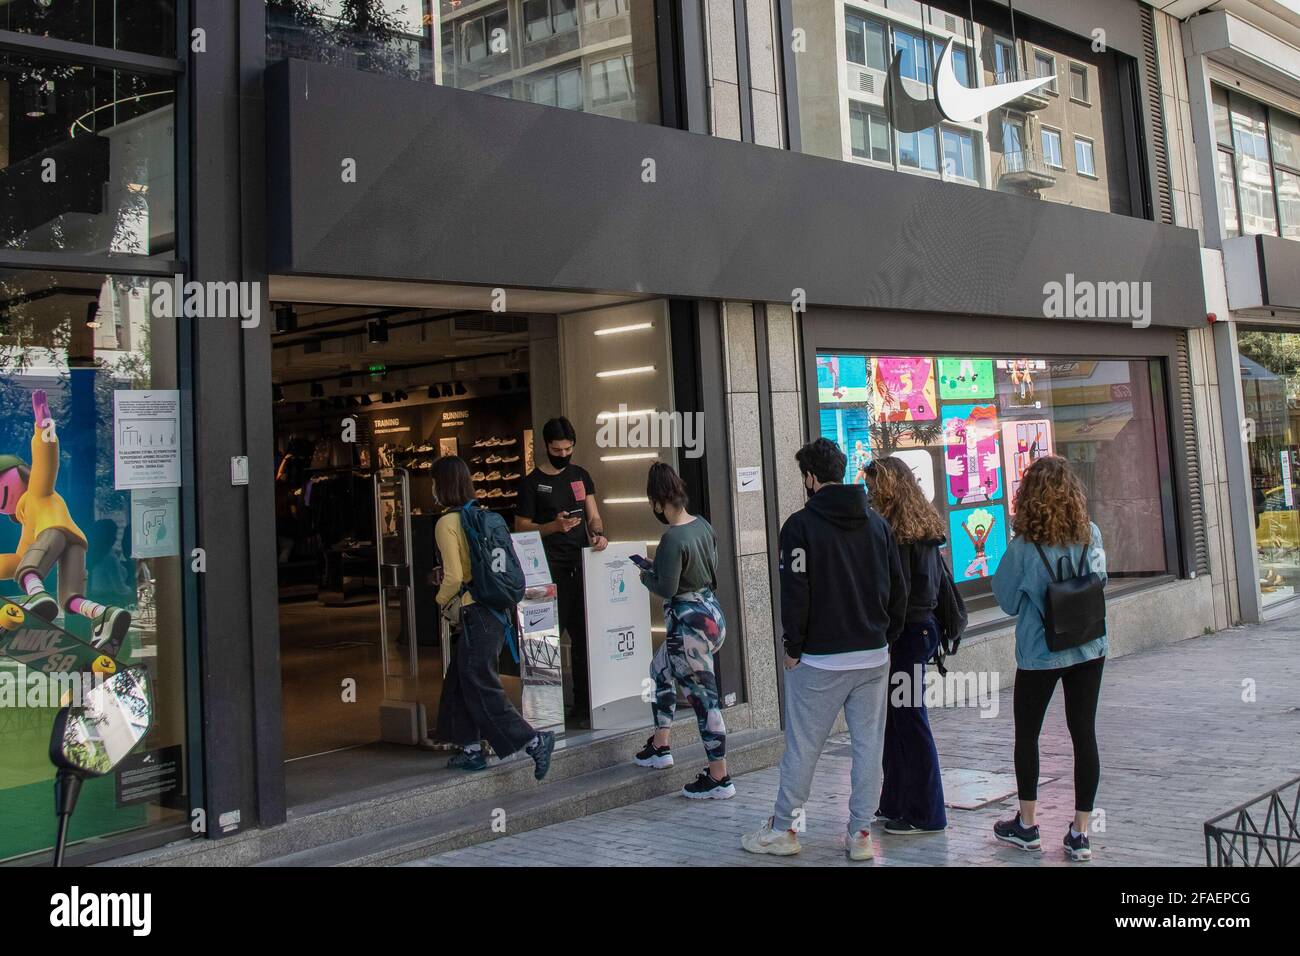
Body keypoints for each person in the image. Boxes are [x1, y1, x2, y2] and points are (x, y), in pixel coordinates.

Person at [742, 438, 907, 861]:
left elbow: (796, 593)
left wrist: (791, 647)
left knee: (803, 747)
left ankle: (785, 829)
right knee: (869, 746)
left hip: (819, 659)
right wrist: (884, 637)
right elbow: (898, 589)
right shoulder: (877, 524)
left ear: (811, 478)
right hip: (872, 655)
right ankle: (861, 834)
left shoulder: (799, 527)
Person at [991, 455, 1107, 862]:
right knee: (1084, 735)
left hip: (1040, 653)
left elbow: (1005, 601)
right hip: (1088, 647)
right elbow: (1100, 580)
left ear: (1029, 497)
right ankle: (1080, 832)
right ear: (1073, 494)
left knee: (1028, 735)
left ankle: (1027, 825)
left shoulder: (1023, 548)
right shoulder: (1089, 534)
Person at [431, 455, 555, 779]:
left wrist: (442, 602)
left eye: (433, 483)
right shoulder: (482, 517)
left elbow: (455, 577)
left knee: (480, 683)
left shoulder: (446, 523)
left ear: (441, 486)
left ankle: (533, 741)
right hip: (496, 611)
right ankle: (469, 749)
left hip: (475, 614)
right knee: (460, 680)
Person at [0, 389, 130, 654]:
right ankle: (104, 615)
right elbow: (17, 558)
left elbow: (46, 460)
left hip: (54, 533)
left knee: (31, 568)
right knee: (71, 598)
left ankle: (37, 596)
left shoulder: (37, 490)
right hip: (75, 543)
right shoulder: (28, 522)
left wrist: (44, 426)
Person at [632, 463, 732, 799]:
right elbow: (703, 570)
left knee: (705, 701)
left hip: (688, 628)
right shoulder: (702, 525)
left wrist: (646, 575)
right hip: (710, 615)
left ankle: (719, 777)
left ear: (658, 503)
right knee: (658, 670)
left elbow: (667, 587)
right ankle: (661, 745)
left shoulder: (672, 537)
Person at [866, 457, 948, 835]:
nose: (868, 494)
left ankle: (926, 812)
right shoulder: (920, 525)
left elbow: (897, 595)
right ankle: (896, 801)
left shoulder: (899, 534)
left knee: (910, 720)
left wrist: (886, 637)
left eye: (872, 487)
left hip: (907, 636)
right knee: (898, 721)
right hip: (918, 632)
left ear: (887, 488)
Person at [515, 417, 608, 723]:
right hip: (547, 571)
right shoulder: (530, 483)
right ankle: (544, 713)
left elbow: (594, 515)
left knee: (583, 639)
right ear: (546, 447)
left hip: (581, 567)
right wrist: (554, 526)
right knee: (545, 641)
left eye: (568, 448)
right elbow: (521, 527)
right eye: (557, 449)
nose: (563, 453)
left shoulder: (580, 476)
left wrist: (597, 532)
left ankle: (583, 706)